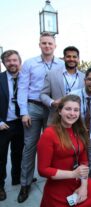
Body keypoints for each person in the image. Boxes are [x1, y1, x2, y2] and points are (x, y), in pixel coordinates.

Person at [37, 95, 91, 207]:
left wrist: (83, 186)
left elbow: (84, 163)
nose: (72, 113)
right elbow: (43, 170)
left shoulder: (79, 131)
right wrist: (73, 174)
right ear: (59, 111)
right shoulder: (49, 134)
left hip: (79, 180)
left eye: (76, 110)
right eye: (68, 109)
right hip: (59, 183)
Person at [17, 32, 65, 203]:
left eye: (50, 43)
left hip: (54, 110)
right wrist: (24, 112)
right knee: (30, 146)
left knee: (54, 146)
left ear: (55, 46)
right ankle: (25, 183)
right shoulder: (30, 63)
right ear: (39, 45)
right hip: (34, 108)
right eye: (44, 43)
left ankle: (55, 179)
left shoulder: (62, 63)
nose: (47, 46)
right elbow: (22, 88)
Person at [70, 67, 91, 183]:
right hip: (74, 134)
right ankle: (75, 187)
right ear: (84, 80)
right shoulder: (73, 95)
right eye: (90, 79)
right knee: (74, 164)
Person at [0, 50, 24, 201]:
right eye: (8, 61)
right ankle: (0, 185)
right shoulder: (0, 79)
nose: (12, 63)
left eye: (15, 60)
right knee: (1, 156)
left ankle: (17, 178)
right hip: (4, 124)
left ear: (19, 61)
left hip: (21, 123)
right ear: (4, 63)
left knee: (18, 153)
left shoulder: (24, 78)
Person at [40, 46, 85, 124]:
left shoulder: (84, 77)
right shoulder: (51, 74)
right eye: (68, 56)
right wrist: (52, 102)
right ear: (64, 58)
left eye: (74, 57)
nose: (71, 59)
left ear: (78, 59)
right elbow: (43, 94)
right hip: (56, 119)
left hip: (76, 120)